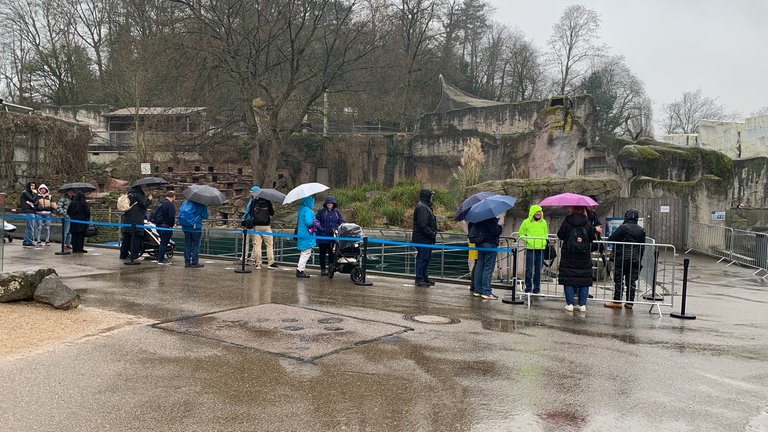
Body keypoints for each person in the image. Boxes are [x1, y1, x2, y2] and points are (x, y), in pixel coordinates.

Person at [557, 206, 596, 312]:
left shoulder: (567, 221)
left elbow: (560, 235)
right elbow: (592, 236)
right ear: (583, 210)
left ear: (572, 209)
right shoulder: (587, 222)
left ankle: (570, 304)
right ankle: (582, 304)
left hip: (569, 255)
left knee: (568, 279)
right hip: (584, 256)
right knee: (584, 280)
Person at [605, 209, 646, 309]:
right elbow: (643, 247)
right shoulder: (641, 230)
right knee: (631, 280)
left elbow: (611, 238)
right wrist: (639, 259)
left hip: (622, 257)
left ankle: (617, 300)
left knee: (619, 279)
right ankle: (629, 302)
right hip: (635, 258)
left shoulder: (623, 227)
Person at [242, 186, 278, 270]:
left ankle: (258, 264)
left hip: (256, 226)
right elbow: (272, 213)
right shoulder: (268, 202)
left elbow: (250, 213)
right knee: (269, 245)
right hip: (266, 226)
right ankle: (271, 262)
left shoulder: (254, 202)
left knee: (257, 245)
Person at [469, 217, 503, 300]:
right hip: (489, 244)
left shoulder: (476, 218)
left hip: (479, 244)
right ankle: (486, 292)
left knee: (479, 267)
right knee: (488, 268)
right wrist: (499, 227)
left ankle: (478, 290)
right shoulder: (491, 217)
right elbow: (495, 232)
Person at [518, 204, 548, 294]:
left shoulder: (544, 222)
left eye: (540, 211)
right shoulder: (526, 222)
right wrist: (530, 241)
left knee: (538, 269)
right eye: (537, 211)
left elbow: (546, 234)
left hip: (541, 248)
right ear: (532, 212)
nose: (538, 213)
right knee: (529, 269)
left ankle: (537, 288)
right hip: (530, 248)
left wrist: (544, 242)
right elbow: (521, 234)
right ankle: (528, 287)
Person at [120, 184, 152, 260]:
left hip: (127, 220)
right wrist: (149, 200)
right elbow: (144, 205)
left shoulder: (129, 194)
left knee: (126, 238)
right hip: (136, 220)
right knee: (136, 238)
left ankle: (123, 254)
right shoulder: (139, 195)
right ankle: (134, 255)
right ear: (140, 188)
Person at [412, 188, 437, 287]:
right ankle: (419, 278)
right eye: (431, 195)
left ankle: (424, 276)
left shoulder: (425, 206)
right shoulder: (422, 207)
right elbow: (423, 225)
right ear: (427, 196)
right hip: (422, 239)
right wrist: (432, 234)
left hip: (425, 239)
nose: (432, 197)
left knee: (426, 258)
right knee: (422, 258)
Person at [315, 196, 344, 276]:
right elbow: (316, 221)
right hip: (323, 237)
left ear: (333, 204)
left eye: (331, 203)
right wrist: (320, 228)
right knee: (322, 253)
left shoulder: (337, 211)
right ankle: (323, 269)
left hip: (333, 237)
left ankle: (331, 269)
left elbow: (341, 221)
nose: (329, 204)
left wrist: (338, 228)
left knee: (332, 253)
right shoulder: (321, 212)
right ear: (326, 204)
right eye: (328, 203)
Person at [179, 199, 208, 268]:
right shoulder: (201, 205)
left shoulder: (185, 203)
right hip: (195, 228)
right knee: (196, 245)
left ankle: (187, 262)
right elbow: (205, 216)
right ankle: (195, 262)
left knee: (187, 244)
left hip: (186, 227)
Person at [295, 196, 316, 278]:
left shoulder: (301, 209)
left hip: (302, 233)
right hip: (307, 234)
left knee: (304, 252)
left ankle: (300, 269)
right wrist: (314, 221)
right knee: (306, 252)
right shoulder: (307, 210)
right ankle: (300, 270)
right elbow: (309, 222)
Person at [154, 191, 176, 265]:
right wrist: (171, 225)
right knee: (164, 243)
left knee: (162, 242)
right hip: (166, 226)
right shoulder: (170, 205)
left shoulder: (161, 203)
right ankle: (161, 259)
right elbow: (171, 216)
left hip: (158, 225)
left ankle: (160, 256)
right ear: (173, 196)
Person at [19, 181, 39, 247]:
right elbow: (33, 200)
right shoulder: (25, 192)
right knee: (30, 227)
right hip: (28, 211)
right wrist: (36, 194)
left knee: (29, 227)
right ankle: (29, 241)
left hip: (32, 210)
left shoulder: (31, 193)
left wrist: (34, 202)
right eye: (31, 185)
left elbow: (36, 202)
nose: (33, 187)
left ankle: (26, 240)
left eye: (34, 185)